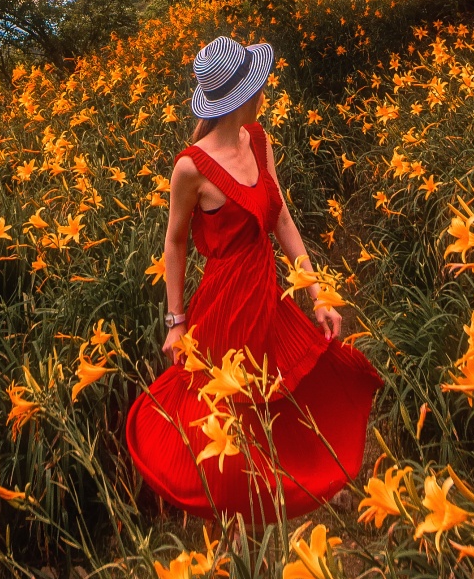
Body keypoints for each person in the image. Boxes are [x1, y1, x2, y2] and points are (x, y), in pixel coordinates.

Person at [125, 34, 381, 520]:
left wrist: (317, 294)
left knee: (290, 388)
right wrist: (176, 322)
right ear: (244, 94)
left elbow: (281, 218)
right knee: (231, 406)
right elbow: (174, 243)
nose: (265, 90)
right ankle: (240, 510)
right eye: (259, 84)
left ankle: (306, 482)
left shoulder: (258, 140)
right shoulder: (190, 168)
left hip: (267, 290)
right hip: (224, 303)